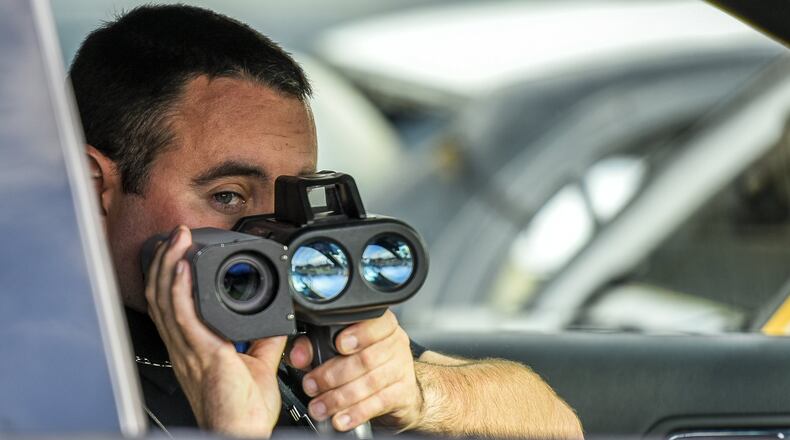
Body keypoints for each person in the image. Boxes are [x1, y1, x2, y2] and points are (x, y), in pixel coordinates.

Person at [69, 4, 583, 439]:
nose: (273, 233)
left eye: (293, 198)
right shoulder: (47, 384)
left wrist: (417, 391)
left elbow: (557, 425)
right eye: (227, 196)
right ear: (93, 188)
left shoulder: (297, 313)